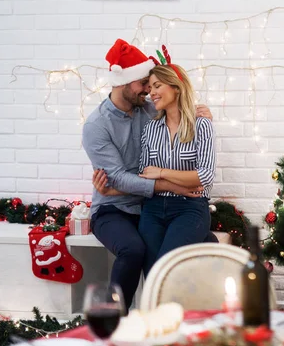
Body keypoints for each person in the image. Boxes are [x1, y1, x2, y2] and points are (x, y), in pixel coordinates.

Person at [83, 39, 212, 309]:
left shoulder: (149, 109)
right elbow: (116, 178)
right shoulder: (96, 125)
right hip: (113, 206)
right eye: (144, 83)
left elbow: (178, 103)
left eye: (152, 85)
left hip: (148, 206)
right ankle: (114, 319)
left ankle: (182, 317)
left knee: (192, 245)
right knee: (134, 250)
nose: (148, 90)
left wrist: (201, 113)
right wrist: (173, 186)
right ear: (124, 81)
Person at [136, 57, 216, 276]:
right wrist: (180, 180)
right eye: (150, 87)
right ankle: (158, 312)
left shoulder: (202, 125)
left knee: (167, 269)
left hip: (190, 208)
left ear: (177, 88)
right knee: (152, 275)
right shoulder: (151, 128)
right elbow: (145, 174)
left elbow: (205, 176)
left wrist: (161, 173)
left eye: (157, 86)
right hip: (152, 209)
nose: (151, 92)